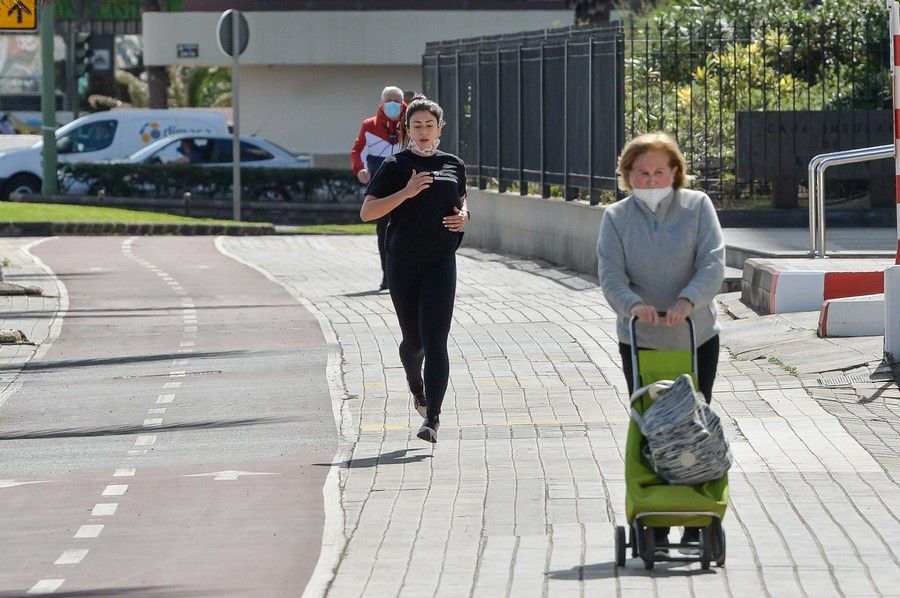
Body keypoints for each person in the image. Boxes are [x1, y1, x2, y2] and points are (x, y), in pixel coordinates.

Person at [596, 131, 725, 552]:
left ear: (675, 172)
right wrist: (633, 306)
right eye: (641, 173)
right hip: (641, 336)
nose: (650, 180)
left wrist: (689, 300)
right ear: (627, 176)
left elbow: (713, 260)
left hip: (694, 333)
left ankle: (694, 516)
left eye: (659, 172)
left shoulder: (697, 207)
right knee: (650, 423)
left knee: (695, 424)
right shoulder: (616, 217)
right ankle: (656, 518)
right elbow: (610, 274)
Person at [360, 96, 470, 444]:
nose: (423, 132)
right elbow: (368, 212)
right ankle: (415, 386)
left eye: (429, 125)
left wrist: (465, 215)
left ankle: (432, 419)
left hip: (441, 259)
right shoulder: (395, 165)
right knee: (415, 341)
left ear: (440, 128)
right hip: (403, 261)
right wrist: (406, 193)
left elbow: (462, 198)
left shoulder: (453, 164)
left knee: (437, 340)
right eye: (416, 126)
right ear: (406, 129)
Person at [351, 86, 407, 291]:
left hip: (406, 187)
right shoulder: (369, 126)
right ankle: (387, 274)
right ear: (382, 103)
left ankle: (405, 271)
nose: (393, 104)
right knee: (383, 231)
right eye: (389, 100)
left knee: (406, 229)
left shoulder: (411, 125)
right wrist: (360, 170)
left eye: (397, 101)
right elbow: (358, 151)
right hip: (381, 187)